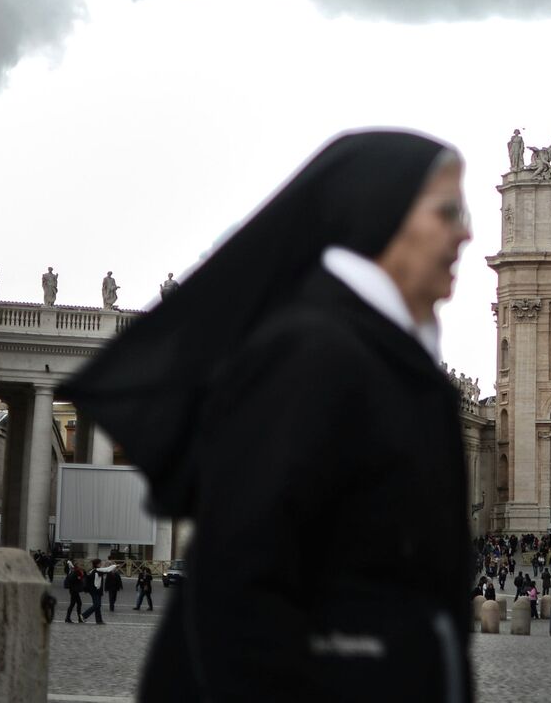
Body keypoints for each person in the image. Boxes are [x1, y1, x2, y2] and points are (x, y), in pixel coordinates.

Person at [61, 131, 475, 700]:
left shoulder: (391, 357)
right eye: (448, 211)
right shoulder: (307, 354)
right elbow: (242, 589)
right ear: (382, 213)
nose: (467, 231)